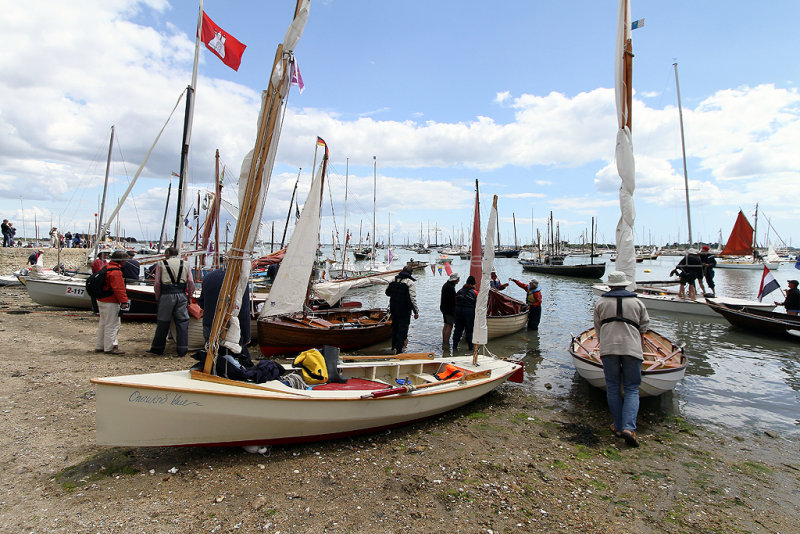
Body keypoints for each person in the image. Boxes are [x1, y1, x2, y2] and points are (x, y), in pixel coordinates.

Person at [593, 271, 650, 448]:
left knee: (612, 386)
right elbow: (644, 327)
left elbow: (597, 328)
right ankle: (628, 428)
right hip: (632, 349)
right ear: (625, 285)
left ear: (609, 285)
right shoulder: (637, 302)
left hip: (608, 348)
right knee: (632, 388)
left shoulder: (601, 302)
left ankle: (617, 426)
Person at [198, 265, 252, 363]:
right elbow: (244, 309)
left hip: (209, 324)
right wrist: (247, 335)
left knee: (212, 358)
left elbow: (201, 302)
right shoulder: (240, 280)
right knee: (230, 363)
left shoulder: (209, 277)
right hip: (229, 327)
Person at [147, 246, 195, 357]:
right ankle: (182, 349)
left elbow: (157, 283)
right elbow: (191, 282)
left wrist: (158, 297)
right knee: (182, 322)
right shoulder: (186, 264)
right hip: (181, 294)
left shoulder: (161, 264)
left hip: (167, 294)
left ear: (168, 253)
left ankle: (157, 348)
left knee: (163, 322)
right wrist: (190, 296)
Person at [95, 250, 129, 355]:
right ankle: (110, 347)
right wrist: (124, 301)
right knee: (113, 324)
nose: (126, 262)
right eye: (125, 260)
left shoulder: (106, 268)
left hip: (101, 300)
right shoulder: (116, 272)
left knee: (103, 324)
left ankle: (100, 345)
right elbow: (119, 288)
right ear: (121, 260)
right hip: (111, 301)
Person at [385, 265, 419, 353]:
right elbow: (412, 298)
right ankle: (399, 350)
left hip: (393, 308)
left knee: (395, 327)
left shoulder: (393, 280)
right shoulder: (410, 282)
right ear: (410, 273)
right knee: (402, 329)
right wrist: (416, 311)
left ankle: (393, 347)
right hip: (404, 310)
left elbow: (387, 293)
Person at [452, 275, 478, 351]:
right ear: (473, 284)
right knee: (469, 330)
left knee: (458, 329)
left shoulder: (459, 291)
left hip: (458, 311)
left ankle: (454, 346)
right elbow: (477, 305)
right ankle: (471, 348)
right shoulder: (475, 292)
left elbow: (455, 302)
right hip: (469, 312)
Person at [440, 272, 459, 346]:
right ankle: (446, 342)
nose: (458, 280)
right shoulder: (450, 287)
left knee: (446, 324)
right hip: (449, 309)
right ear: (455, 280)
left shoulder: (446, 285)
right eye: (458, 279)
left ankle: (444, 341)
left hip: (444, 308)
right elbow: (452, 300)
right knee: (450, 325)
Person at [90, 250, 109, 314]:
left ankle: (99, 309)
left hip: (103, 281)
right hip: (97, 280)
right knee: (95, 296)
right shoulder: (98, 262)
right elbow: (100, 270)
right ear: (100, 255)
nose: (106, 255)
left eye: (106, 254)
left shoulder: (105, 262)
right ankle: (96, 310)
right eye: (104, 254)